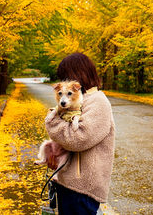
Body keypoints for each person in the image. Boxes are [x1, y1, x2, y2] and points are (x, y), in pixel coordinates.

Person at [45, 53, 115, 215]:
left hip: (82, 188)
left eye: (65, 78)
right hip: (68, 182)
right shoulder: (80, 99)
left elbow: (78, 139)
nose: (63, 84)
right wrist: (53, 153)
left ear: (77, 76)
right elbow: (65, 131)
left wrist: (51, 121)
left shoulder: (98, 101)